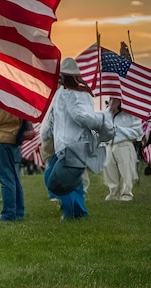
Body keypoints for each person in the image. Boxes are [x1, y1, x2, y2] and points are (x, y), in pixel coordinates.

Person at [41, 58, 107, 220]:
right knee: (70, 180)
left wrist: (99, 122)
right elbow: (52, 118)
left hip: (70, 144)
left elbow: (81, 117)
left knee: (62, 181)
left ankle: (72, 213)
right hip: (69, 144)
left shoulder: (70, 94)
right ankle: (79, 211)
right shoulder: (74, 93)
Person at [0, 107, 24, 221]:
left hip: (1, 137)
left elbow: (0, 120)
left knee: (5, 177)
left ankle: (8, 213)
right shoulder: (17, 97)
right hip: (15, 136)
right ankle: (18, 212)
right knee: (14, 177)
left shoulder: (1, 96)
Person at [103, 98, 143, 201]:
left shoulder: (131, 113)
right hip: (109, 144)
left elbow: (137, 131)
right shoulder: (107, 112)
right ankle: (113, 193)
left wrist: (118, 130)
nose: (113, 101)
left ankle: (126, 194)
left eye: (115, 99)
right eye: (111, 99)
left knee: (126, 170)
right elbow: (101, 124)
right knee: (109, 169)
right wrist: (110, 110)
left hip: (123, 144)